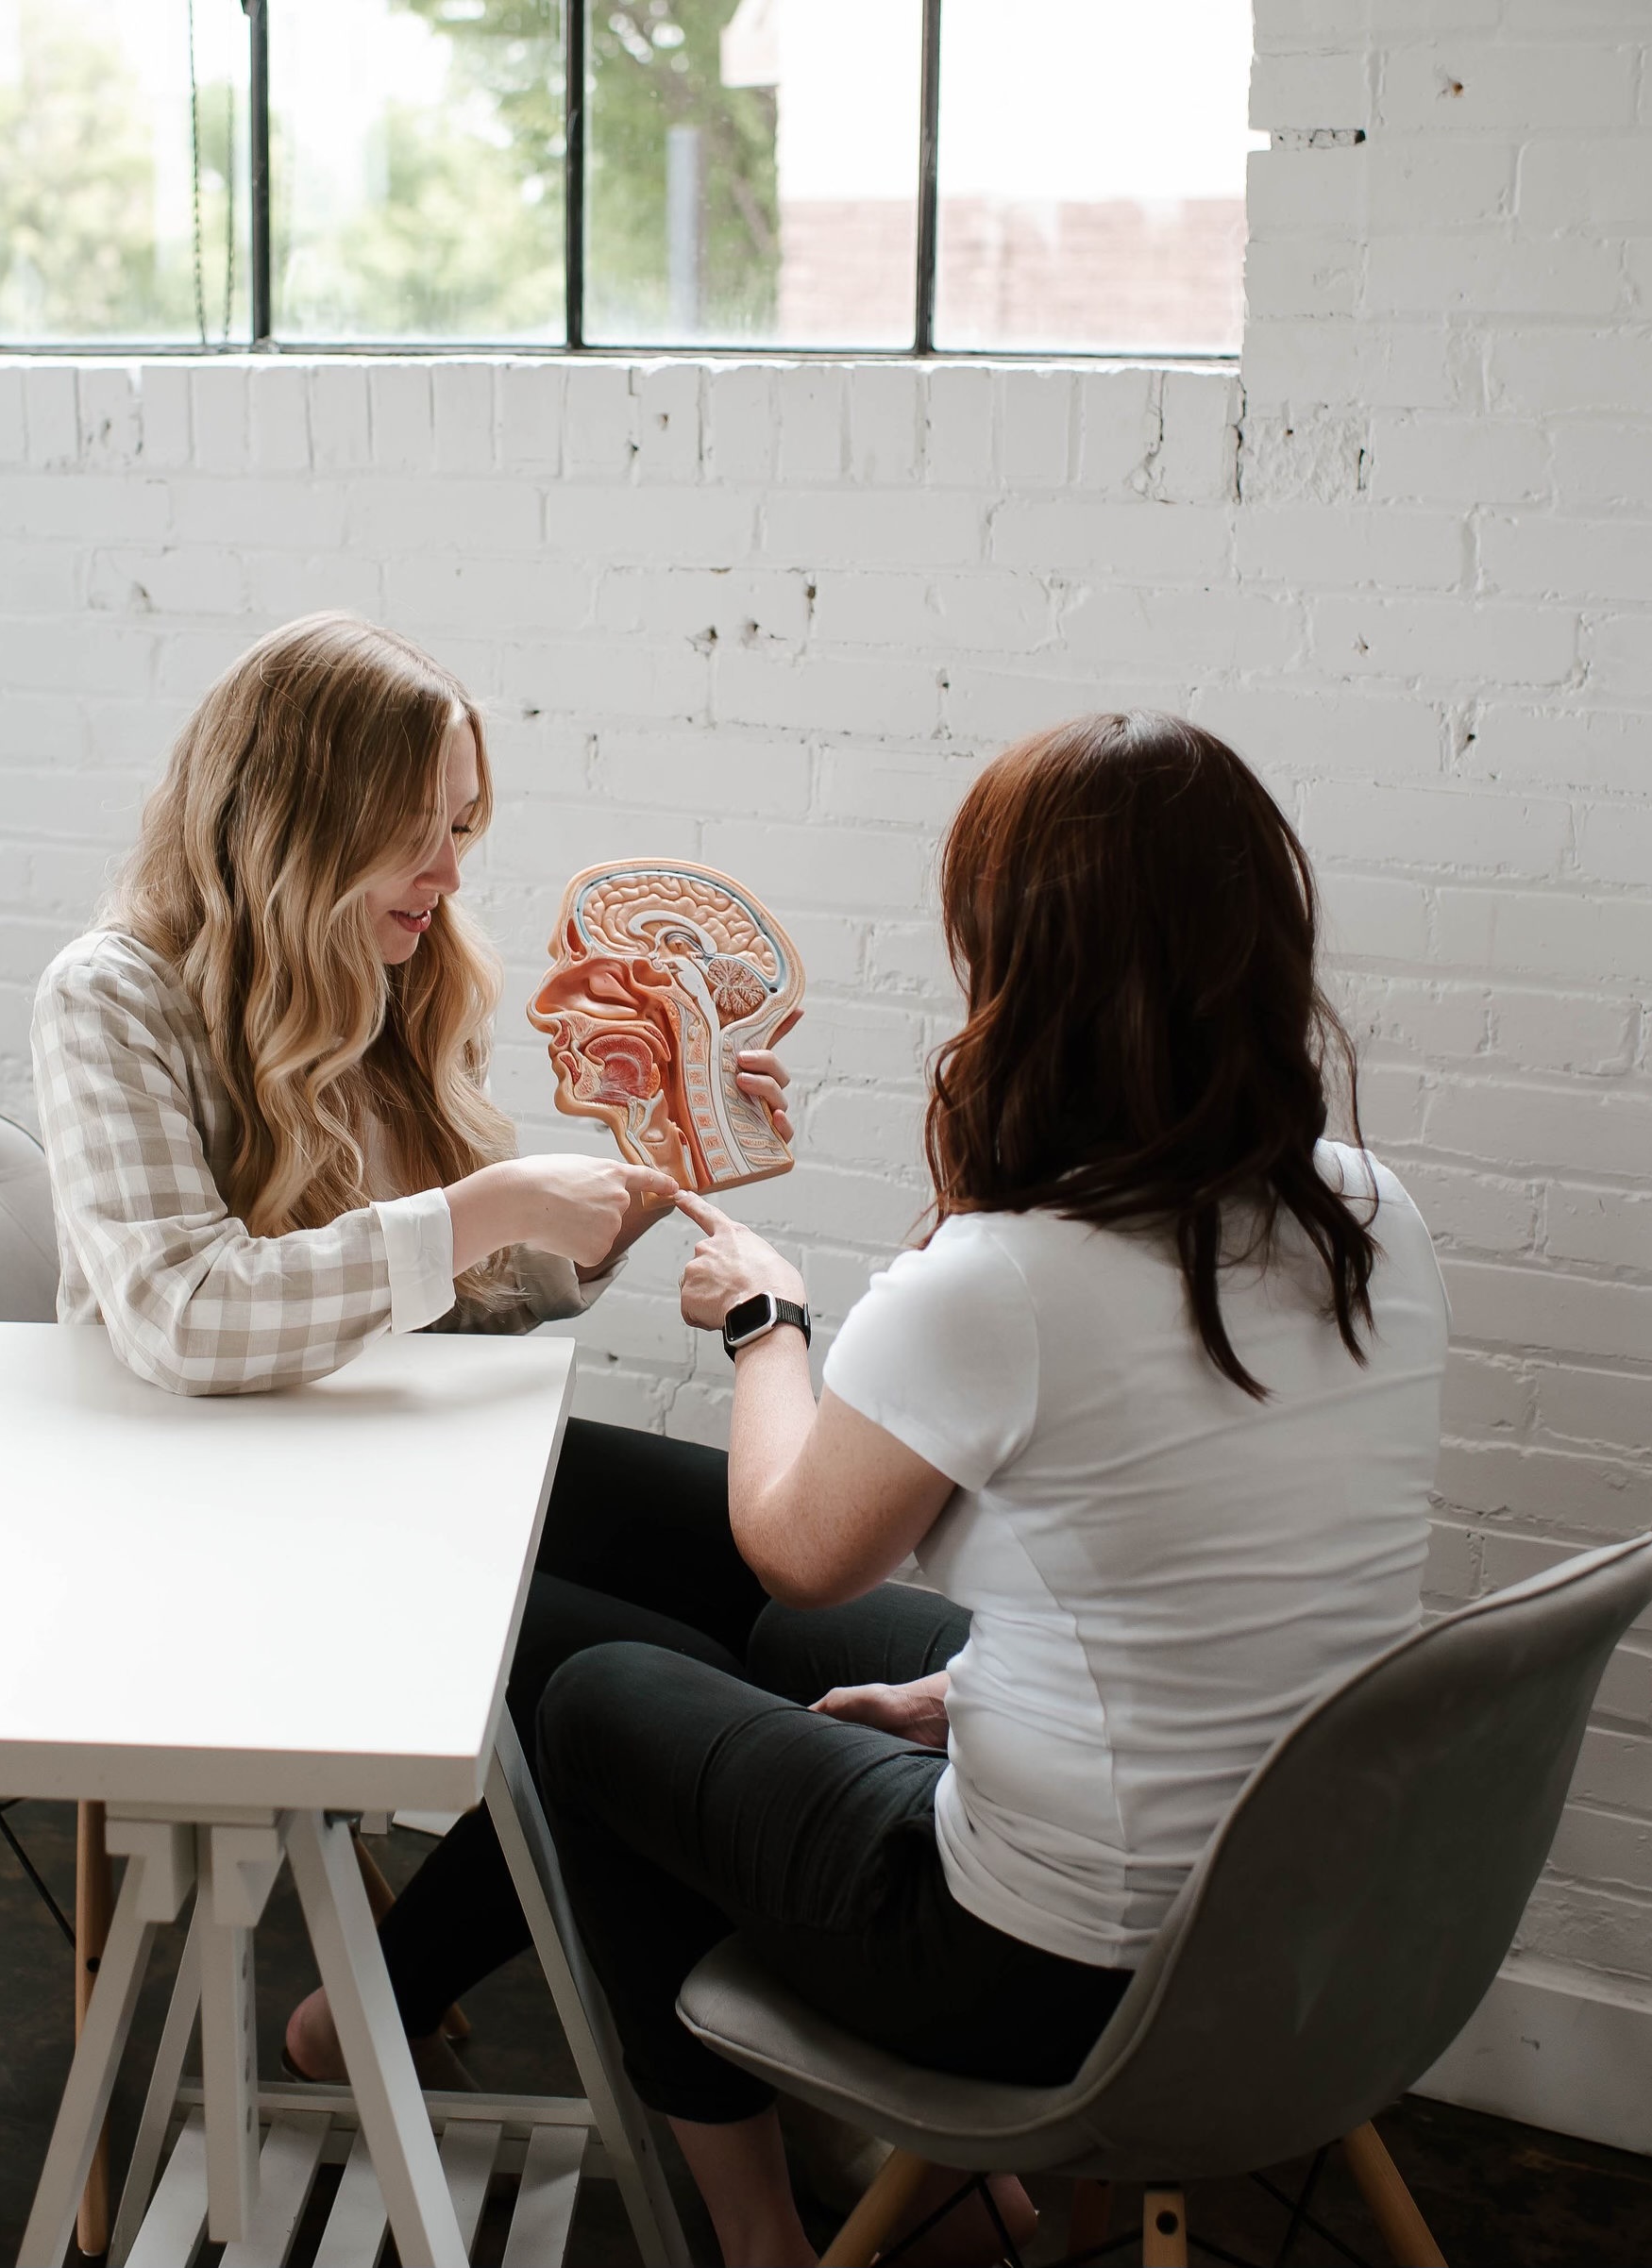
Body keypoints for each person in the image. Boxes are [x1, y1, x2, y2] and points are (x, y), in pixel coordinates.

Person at [531, 712, 1450, 2267]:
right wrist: (961, 1695)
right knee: (770, 1650)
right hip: (1308, 1936)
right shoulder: (1369, 1216)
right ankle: (932, 2200)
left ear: (1018, 962)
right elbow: (1224, 1575)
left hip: (1053, 1974)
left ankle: (764, 2238)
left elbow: (797, 1547)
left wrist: (765, 1323)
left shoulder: (1008, 1275)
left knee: (595, 1696)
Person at [25, 612, 797, 2081]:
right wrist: (488, 1204)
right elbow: (187, 1312)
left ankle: (425, 2002)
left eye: (461, 828)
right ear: (302, 820)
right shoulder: (111, 995)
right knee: (669, 1689)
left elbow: (441, 1298)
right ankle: (453, 2016)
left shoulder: (384, 969)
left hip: (388, 1454)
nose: (450, 875)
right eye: (418, 833)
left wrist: (616, 1203)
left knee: (766, 1571)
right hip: (214, 1511)